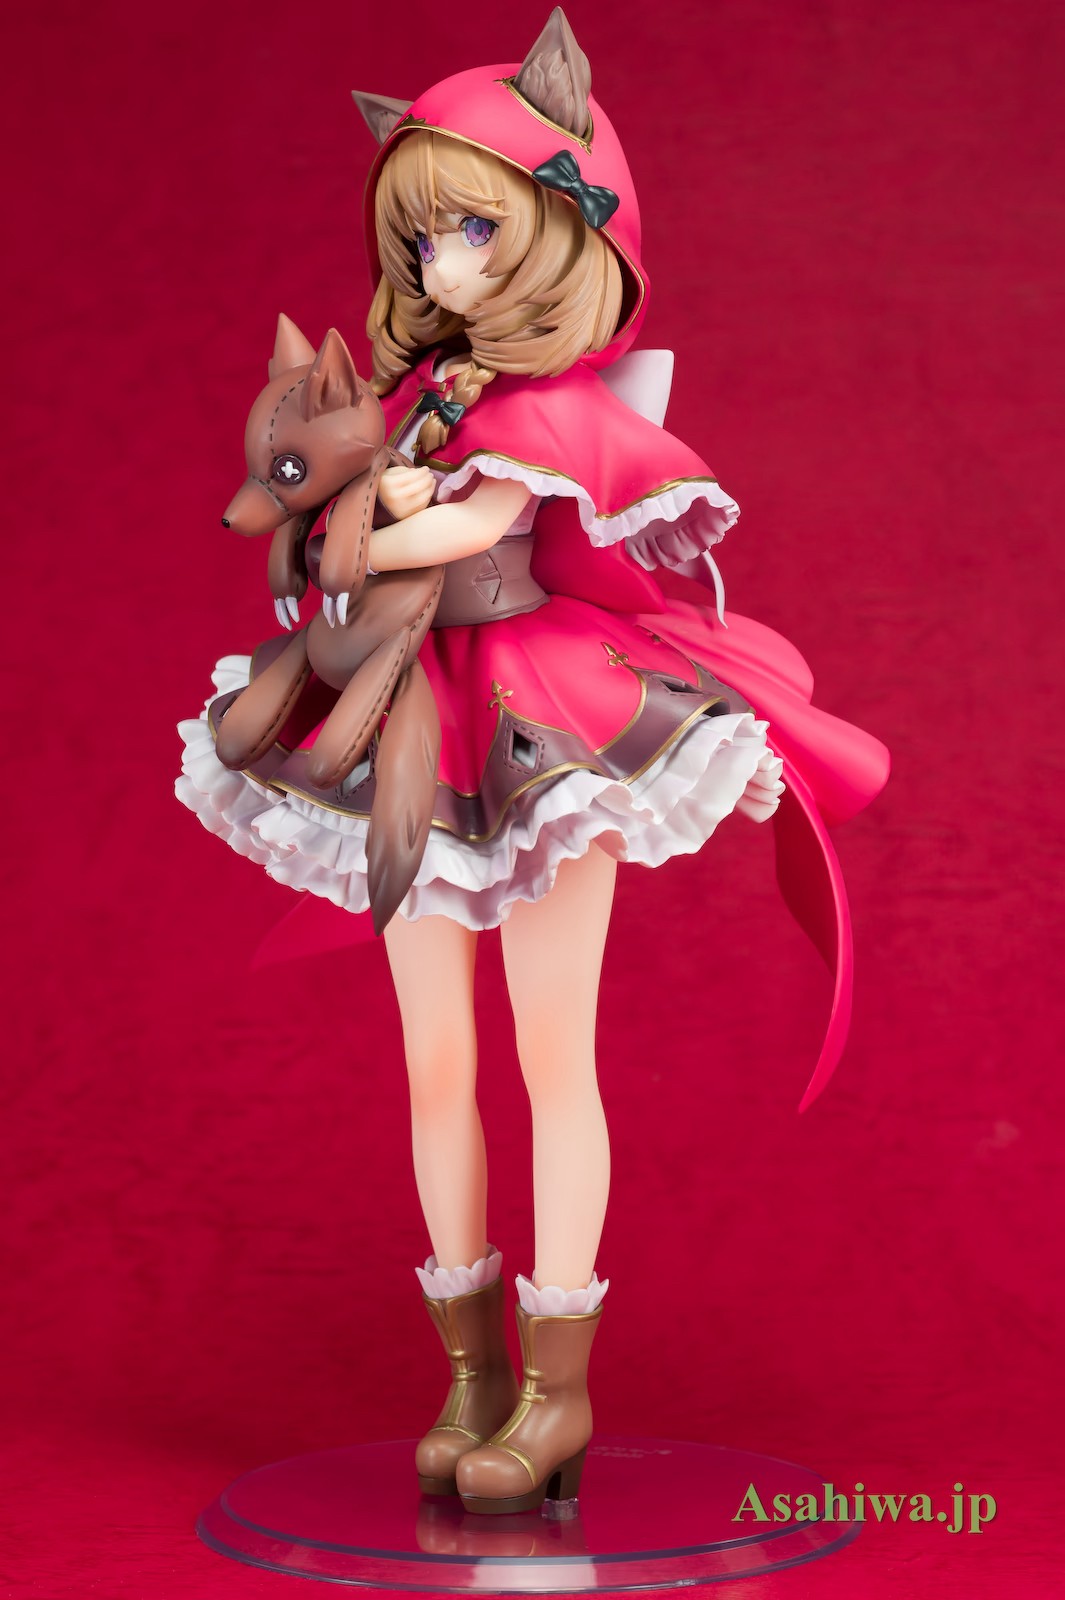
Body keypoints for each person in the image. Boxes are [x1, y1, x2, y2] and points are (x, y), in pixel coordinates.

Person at [176, 9, 889, 1516]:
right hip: (411, 711)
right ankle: (472, 1374)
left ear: (569, 235)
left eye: (476, 230)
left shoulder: (544, 409)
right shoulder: (417, 394)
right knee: (433, 1058)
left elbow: (466, 524)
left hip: (536, 717)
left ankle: (558, 1392)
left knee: (549, 1054)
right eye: (420, 237)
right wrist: (342, 507)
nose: (442, 267)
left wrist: (360, 522)